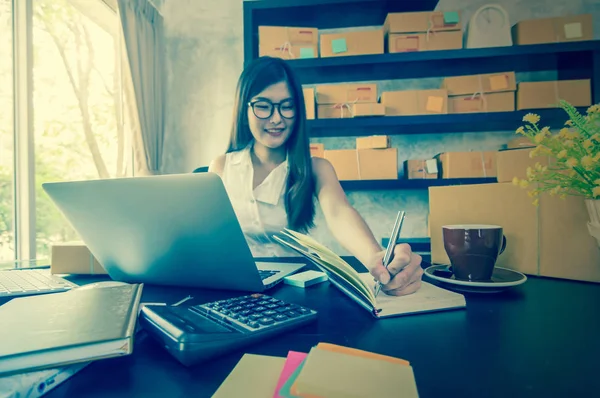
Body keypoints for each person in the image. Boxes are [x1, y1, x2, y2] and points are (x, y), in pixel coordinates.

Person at [208, 56, 423, 297]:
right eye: (263, 106)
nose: (277, 118)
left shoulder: (316, 169)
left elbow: (339, 213)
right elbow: (206, 238)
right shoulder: (221, 167)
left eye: (287, 106)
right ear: (244, 108)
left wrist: (376, 258)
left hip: (296, 291)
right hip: (236, 292)